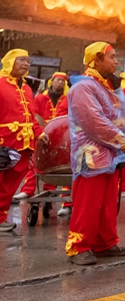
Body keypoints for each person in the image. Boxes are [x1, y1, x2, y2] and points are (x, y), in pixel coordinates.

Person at [65, 42, 125, 264]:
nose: (117, 62)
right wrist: (123, 142)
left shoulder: (105, 86)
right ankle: (78, 246)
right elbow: (94, 123)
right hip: (91, 155)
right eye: (112, 57)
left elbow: (120, 117)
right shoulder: (83, 87)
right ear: (96, 59)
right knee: (88, 202)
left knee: (107, 203)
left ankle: (104, 243)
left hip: (110, 154)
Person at [0, 50, 47, 232]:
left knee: (10, 184)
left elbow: (31, 117)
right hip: (4, 142)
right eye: (21, 60)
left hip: (24, 144)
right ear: (10, 61)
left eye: (28, 61)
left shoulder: (27, 88)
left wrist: (39, 133)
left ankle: (1, 217)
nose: (26, 64)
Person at [17, 72, 69, 204]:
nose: (60, 83)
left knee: (62, 164)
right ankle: (27, 190)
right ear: (51, 81)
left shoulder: (68, 98)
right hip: (42, 132)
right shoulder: (40, 97)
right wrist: (39, 130)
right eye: (58, 80)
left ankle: (54, 192)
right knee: (36, 161)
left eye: (63, 81)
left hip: (62, 135)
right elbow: (34, 114)